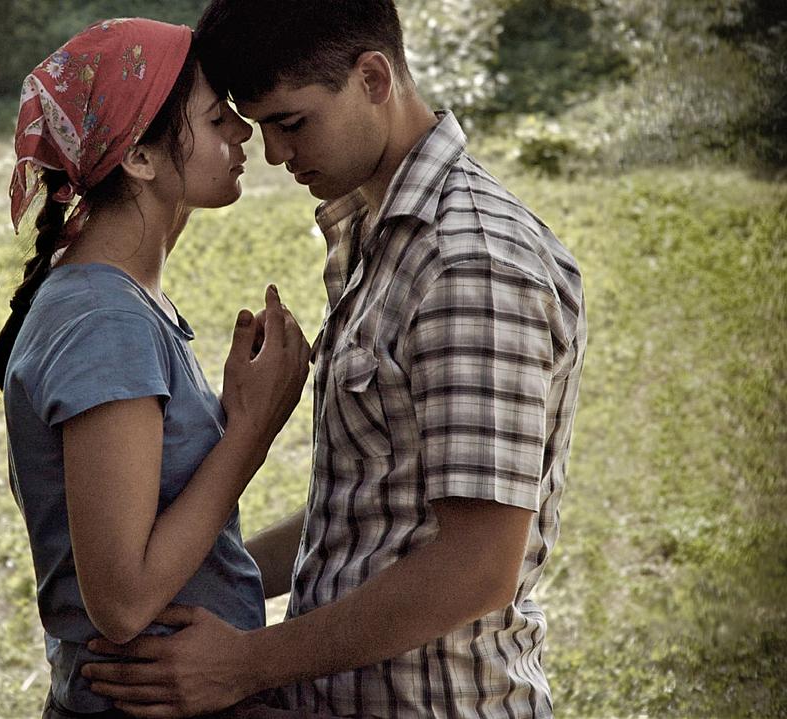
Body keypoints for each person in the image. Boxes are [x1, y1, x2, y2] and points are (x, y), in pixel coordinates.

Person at [82, 2, 587, 718]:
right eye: (258, 126)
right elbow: (369, 519)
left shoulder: (467, 263)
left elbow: (475, 566)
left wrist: (244, 664)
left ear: (373, 78)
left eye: (291, 122)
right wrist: (194, 588)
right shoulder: (384, 232)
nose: (274, 154)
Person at [0, 18, 312, 718]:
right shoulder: (106, 320)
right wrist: (250, 432)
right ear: (137, 157)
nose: (244, 134)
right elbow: (124, 600)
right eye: (218, 119)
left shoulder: (120, 300)